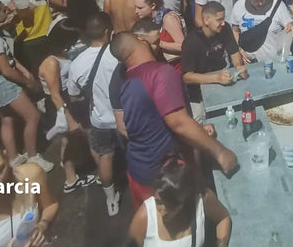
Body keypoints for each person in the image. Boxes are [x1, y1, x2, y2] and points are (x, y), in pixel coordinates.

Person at [108, 32, 238, 209]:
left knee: (153, 225)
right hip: (167, 178)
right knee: (188, 222)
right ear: (141, 40)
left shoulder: (127, 80)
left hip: (138, 171)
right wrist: (220, 152)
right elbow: (178, 123)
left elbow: (151, 122)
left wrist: (197, 129)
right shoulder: (160, 72)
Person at [0, 0, 52, 173]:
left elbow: (8, 58)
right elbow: (6, 70)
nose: (7, 13)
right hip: (3, 83)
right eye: (3, 11)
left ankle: (13, 157)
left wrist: (23, 69)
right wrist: (27, 81)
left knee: (7, 119)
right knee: (33, 116)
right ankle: (33, 155)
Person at [128, 153, 232, 247]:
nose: (159, 209)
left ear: (183, 202)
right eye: (158, 201)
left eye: (166, 205)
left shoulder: (202, 201)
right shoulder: (145, 216)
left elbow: (223, 218)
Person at [67, 12, 122, 216]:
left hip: (100, 120)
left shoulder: (76, 63)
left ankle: (111, 199)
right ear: (107, 32)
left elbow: (73, 96)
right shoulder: (118, 54)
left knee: (105, 157)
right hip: (124, 117)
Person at [37, 25, 96, 194]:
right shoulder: (51, 62)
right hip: (59, 105)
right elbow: (55, 94)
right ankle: (74, 178)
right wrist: (69, 118)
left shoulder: (59, 55)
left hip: (66, 102)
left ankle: (71, 178)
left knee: (68, 141)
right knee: (78, 138)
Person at [180, 1, 247, 119]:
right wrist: (216, 78)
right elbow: (187, 77)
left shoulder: (225, 29)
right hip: (199, 95)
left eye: (223, 19)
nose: (223, 23)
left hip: (222, 85)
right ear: (206, 20)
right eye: (219, 20)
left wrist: (239, 67)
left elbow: (234, 52)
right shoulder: (191, 42)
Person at [0, 0, 63, 74]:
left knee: (55, 72)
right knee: (34, 74)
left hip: (47, 35)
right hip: (26, 42)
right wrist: (9, 10)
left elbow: (61, 2)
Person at [229, 0, 293, 61]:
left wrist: (290, 26)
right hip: (248, 61)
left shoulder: (278, 6)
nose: (260, 3)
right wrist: (239, 49)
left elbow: (289, 26)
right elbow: (235, 30)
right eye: (255, 1)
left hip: (272, 60)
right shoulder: (238, 7)